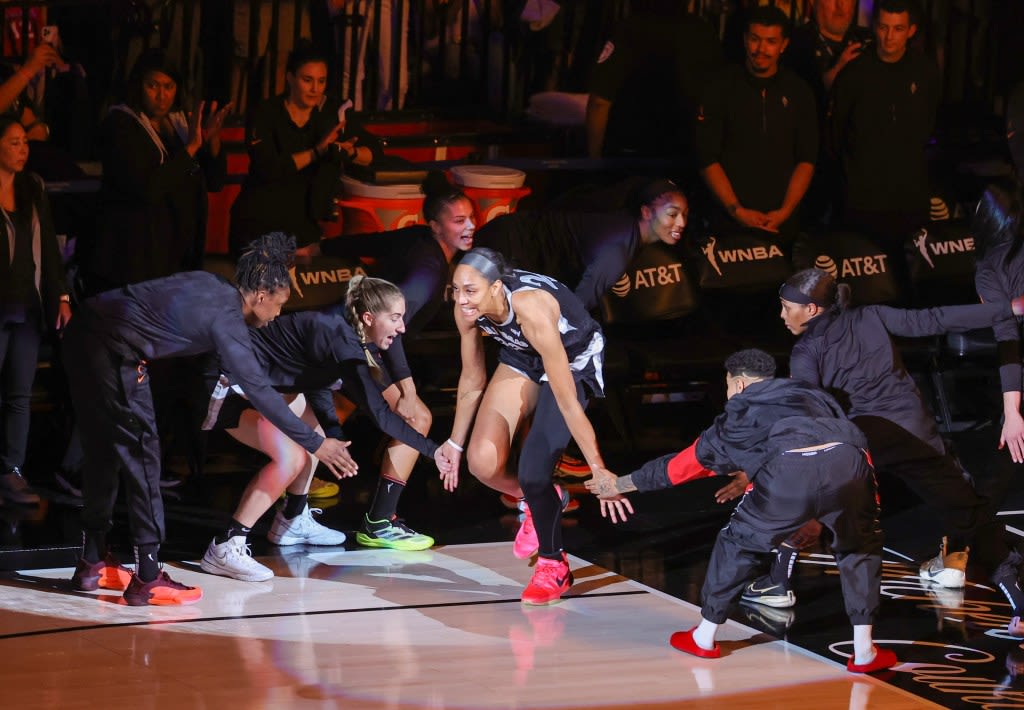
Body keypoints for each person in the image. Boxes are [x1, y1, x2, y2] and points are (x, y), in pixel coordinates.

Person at [63, 233, 354, 606]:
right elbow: (262, 393)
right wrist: (318, 442)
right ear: (261, 296)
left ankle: (92, 560)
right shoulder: (229, 322)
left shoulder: (212, 282)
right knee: (143, 455)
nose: (279, 313)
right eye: (279, 305)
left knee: (104, 450)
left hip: (83, 333)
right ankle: (148, 577)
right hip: (111, 350)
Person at [586, 348, 897, 673]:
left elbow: (680, 468)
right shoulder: (809, 391)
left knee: (738, 544)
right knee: (859, 548)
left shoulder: (740, 413)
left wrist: (618, 485)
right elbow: (834, 444)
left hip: (791, 473)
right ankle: (864, 652)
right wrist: (850, 510)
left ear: (739, 384)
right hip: (852, 462)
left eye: (727, 386)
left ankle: (704, 637)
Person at [753, 267, 1024, 635]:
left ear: (812, 310)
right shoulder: (872, 315)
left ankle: (778, 583)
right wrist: (1007, 308)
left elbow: (809, 413)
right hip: (915, 432)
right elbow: (936, 319)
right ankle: (1017, 601)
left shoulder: (806, 350)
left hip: (862, 440)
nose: (782, 316)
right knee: (967, 509)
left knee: (803, 493)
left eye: (787, 307)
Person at [200, 275, 453, 581]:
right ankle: (226, 546)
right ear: (369, 318)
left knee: (315, 431)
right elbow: (381, 416)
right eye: (396, 319)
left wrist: (333, 435)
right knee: (292, 457)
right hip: (227, 384)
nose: (402, 329)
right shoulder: (342, 342)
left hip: (265, 384)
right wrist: (434, 450)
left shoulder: (347, 335)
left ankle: (291, 519)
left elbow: (316, 384)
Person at [436, 247, 612, 605]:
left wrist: (597, 466)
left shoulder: (531, 309)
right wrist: (453, 443)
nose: (461, 299)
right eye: (456, 289)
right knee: (481, 462)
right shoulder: (466, 310)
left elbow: (565, 399)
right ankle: (543, 500)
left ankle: (553, 564)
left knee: (535, 472)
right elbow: (471, 378)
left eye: (470, 290)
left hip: (571, 358)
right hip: (522, 357)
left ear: (497, 288)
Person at [320, 173, 475, 535]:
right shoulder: (428, 271)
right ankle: (379, 522)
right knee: (416, 419)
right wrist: (407, 392)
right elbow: (389, 324)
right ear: (436, 226)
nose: (470, 226)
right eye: (458, 220)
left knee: (335, 409)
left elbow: (375, 240)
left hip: (335, 340)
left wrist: (323, 248)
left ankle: (295, 494)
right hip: (354, 344)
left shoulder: (418, 239)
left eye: (471, 218)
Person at [83, 48, 230, 294]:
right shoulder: (121, 124)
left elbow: (215, 182)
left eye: (169, 86)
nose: (162, 96)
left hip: (176, 257)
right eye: (153, 86)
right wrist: (192, 147)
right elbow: (148, 188)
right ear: (138, 85)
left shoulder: (180, 123)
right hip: (135, 260)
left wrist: (212, 142)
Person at [696, 5, 817, 241]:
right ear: (745, 40)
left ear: (784, 45)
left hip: (782, 225)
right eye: (755, 39)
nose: (761, 49)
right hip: (728, 223)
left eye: (771, 41)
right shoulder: (720, 87)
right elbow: (706, 157)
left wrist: (784, 212)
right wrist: (736, 210)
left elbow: (807, 159)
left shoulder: (799, 91)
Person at [229, 41, 362, 257]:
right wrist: (317, 151)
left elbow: (374, 150)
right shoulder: (266, 112)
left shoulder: (330, 114)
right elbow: (269, 168)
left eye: (321, 81)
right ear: (290, 78)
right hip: (260, 224)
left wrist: (351, 152)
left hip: (303, 228)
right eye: (307, 80)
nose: (315, 89)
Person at [474, 178, 688, 311]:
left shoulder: (620, 226)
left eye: (684, 214)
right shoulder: (617, 246)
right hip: (508, 247)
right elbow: (574, 314)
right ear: (646, 211)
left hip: (516, 244)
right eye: (672, 214)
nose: (681, 223)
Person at [829, 0, 940, 255]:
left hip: (909, 198)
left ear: (911, 30)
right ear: (874, 27)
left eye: (898, 29)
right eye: (883, 27)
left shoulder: (925, 72)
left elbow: (928, 125)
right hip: (861, 200)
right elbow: (836, 134)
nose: (889, 37)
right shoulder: (855, 72)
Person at [0, 116, 71, 505]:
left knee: (20, 394)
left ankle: (12, 470)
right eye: (13, 142)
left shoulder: (32, 188)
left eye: (25, 142)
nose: (23, 149)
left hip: (25, 307)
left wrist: (60, 296)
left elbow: (49, 247)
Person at [584, 0, 721, 173]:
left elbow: (599, 102)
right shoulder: (703, 32)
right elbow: (717, 102)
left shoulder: (627, 30)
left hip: (629, 156)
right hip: (686, 157)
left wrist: (594, 161)